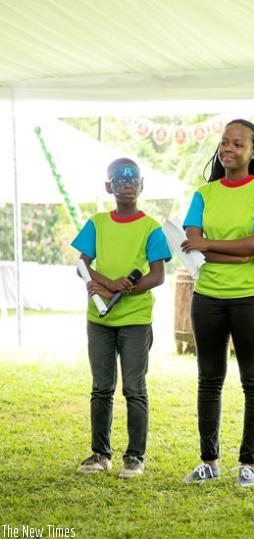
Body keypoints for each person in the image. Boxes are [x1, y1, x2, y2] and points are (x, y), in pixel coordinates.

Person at [180, 119, 254, 488]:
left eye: (238, 144)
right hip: (207, 298)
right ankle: (209, 461)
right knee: (209, 380)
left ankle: (248, 464)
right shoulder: (203, 194)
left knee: (253, 381)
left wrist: (210, 246)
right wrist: (228, 251)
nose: (228, 148)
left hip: (251, 300)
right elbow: (191, 241)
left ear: (253, 152)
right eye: (224, 142)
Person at [71, 157, 171, 479]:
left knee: (134, 388)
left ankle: (134, 458)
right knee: (101, 387)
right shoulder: (97, 223)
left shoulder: (151, 228)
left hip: (135, 320)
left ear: (141, 186)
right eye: (119, 178)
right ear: (108, 186)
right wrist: (108, 284)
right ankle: (100, 455)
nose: (126, 183)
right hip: (99, 319)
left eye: (133, 178)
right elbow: (81, 264)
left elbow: (157, 275)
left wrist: (127, 289)